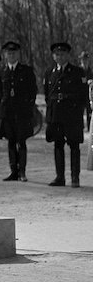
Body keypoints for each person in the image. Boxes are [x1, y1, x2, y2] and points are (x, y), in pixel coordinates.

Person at [43, 42, 88, 188]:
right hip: (56, 114)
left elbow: (83, 95)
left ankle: (75, 178)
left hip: (71, 114)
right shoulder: (50, 73)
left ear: (67, 55)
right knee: (58, 145)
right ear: (53, 56)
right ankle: (60, 177)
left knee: (74, 145)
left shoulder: (77, 72)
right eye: (57, 54)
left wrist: (81, 112)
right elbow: (47, 95)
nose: (60, 57)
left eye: (62, 54)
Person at [0, 40, 38, 182]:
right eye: (9, 53)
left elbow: (33, 91)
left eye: (14, 53)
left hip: (22, 112)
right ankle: (13, 171)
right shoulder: (2, 72)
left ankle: (22, 171)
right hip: (7, 112)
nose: (11, 55)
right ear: (5, 55)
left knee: (21, 141)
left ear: (18, 54)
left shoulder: (26, 70)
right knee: (10, 141)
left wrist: (28, 107)